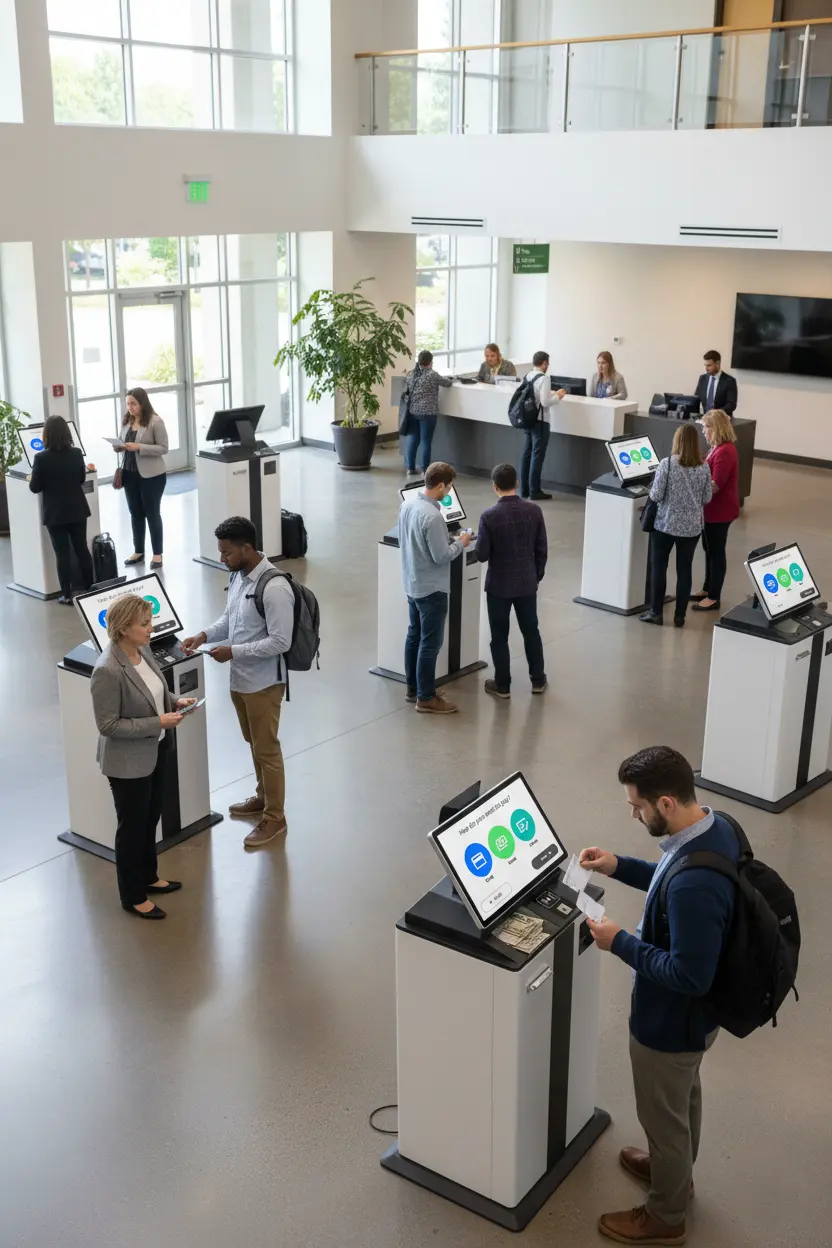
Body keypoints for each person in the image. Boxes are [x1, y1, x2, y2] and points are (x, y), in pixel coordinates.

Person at [580, 745, 739, 1246]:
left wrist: (619, 942)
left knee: (662, 1112)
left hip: (671, 1022)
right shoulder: (716, 827)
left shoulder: (695, 883)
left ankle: (666, 1217)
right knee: (681, 1098)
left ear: (666, 802)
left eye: (638, 806)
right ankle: (676, 1172)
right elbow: (668, 887)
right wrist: (617, 865)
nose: (634, 813)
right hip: (696, 1025)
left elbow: (691, 976)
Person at [182, 516, 294, 848]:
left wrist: (234, 652)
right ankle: (262, 797)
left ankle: (275, 818)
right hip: (240, 680)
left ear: (247, 548)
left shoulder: (274, 588)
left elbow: (280, 641)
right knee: (254, 743)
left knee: (267, 748)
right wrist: (204, 634)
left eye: (227, 552)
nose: (222, 558)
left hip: (263, 683)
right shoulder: (238, 575)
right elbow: (231, 618)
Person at [91, 595, 194, 919]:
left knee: (150, 819)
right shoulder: (107, 670)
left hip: (155, 747)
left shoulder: (142, 651)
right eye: (145, 624)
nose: (152, 629)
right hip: (127, 762)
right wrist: (157, 722)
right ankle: (132, 895)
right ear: (123, 629)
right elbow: (108, 725)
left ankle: (149, 877)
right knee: (132, 827)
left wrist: (175, 701)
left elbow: (154, 692)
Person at [398, 461, 471, 714]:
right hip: (432, 589)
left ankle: (413, 688)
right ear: (440, 485)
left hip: (412, 582)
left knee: (414, 636)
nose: (449, 491)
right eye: (449, 487)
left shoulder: (407, 505)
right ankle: (426, 698)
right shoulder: (433, 517)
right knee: (430, 644)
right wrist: (461, 542)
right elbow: (441, 556)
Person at [475, 462, 547, 698]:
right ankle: (538, 680)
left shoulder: (488, 516)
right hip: (527, 583)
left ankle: (503, 685)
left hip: (498, 586)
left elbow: (482, 555)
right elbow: (542, 549)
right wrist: (535, 575)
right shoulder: (534, 510)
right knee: (531, 631)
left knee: (499, 636)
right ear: (516, 483)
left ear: (494, 487)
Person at [641, 423, 712, 628]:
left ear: (677, 441)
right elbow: (707, 497)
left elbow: (655, 495)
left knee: (659, 567)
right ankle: (680, 617)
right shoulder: (704, 466)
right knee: (684, 570)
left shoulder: (667, 464)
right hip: (691, 528)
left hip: (665, 525)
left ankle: (656, 613)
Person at [28, 415, 94, 605]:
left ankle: (66, 593)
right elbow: (81, 479)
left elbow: (35, 487)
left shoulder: (41, 458)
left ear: (46, 435)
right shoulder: (76, 453)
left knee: (62, 553)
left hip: (55, 513)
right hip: (78, 509)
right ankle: (89, 588)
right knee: (81, 548)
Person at [692, 409, 740, 613]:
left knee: (716, 552)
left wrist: (692, 491)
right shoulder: (717, 448)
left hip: (720, 512)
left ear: (716, 428)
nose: (703, 432)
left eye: (706, 428)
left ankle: (714, 596)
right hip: (710, 510)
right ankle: (707, 588)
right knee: (709, 549)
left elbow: (715, 484)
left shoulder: (725, 451)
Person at [120, 387, 169, 569]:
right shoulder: (127, 421)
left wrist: (139, 447)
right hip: (130, 473)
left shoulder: (155, 422)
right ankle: (138, 551)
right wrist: (120, 446)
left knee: (152, 513)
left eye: (133, 403)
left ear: (142, 403)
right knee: (135, 513)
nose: (130, 407)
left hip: (152, 476)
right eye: (128, 404)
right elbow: (124, 441)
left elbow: (163, 448)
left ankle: (157, 554)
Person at [518, 351, 566, 502]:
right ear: (544, 363)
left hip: (529, 420)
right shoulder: (544, 378)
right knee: (537, 457)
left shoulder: (528, 376)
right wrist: (558, 396)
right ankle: (535, 491)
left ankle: (524, 490)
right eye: (547, 364)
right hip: (541, 421)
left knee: (526, 455)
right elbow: (545, 402)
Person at [403, 350, 453, 476]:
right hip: (428, 413)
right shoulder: (432, 375)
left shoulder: (411, 374)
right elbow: (448, 383)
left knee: (413, 439)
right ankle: (425, 469)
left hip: (413, 411)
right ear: (430, 362)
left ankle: (410, 468)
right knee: (426, 441)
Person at [694, 350, 738, 416]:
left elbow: (731, 405)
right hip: (705, 419)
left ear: (717, 364)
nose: (706, 368)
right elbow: (696, 399)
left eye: (709, 365)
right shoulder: (702, 378)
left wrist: (715, 414)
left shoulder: (729, 381)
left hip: (722, 421)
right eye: (705, 365)